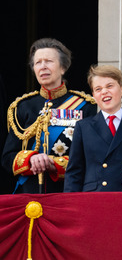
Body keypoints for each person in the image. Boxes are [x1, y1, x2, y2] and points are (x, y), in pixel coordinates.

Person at [3, 38, 97, 193]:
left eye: (49, 61)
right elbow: (7, 158)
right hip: (28, 195)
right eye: (38, 62)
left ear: (63, 68)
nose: (43, 67)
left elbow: (92, 156)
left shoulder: (85, 107)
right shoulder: (22, 106)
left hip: (68, 193)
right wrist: (30, 158)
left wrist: (54, 164)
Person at [64, 65, 122, 192]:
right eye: (98, 89)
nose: (104, 92)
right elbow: (74, 172)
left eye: (109, 86)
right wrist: (71, 206)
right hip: (94, 198)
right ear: (94, 96)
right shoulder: (83, 127)